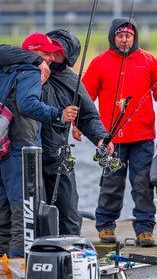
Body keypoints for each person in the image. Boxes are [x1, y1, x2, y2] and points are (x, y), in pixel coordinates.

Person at [0, 33, 79, 259]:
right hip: (19, 154)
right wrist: (59, 115)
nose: (51, 58)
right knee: (24, 217)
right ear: (32, 53)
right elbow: (28, 105)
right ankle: (19, 266)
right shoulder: (31, 73)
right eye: (45, 53)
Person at [79, 18, 157, 247]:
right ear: (113, 37)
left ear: (135, 38)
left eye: (128, 36)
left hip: (143, 136)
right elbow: (84, 96)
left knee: (143, 184)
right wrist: (76, 124)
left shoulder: (149, 60)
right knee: (111, 183)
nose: (124, 40)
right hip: (110, 139)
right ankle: (105, 226)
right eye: (120, 36)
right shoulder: (100, 62)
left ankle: (144, 229)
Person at [38, 28, 114, 235]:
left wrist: (101, 139)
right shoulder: (25, 70)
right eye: (49, 49)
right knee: (34, 212)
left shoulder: (71, 82)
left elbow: (88, 117)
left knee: (69, 211)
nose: (52, 56)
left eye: (59, 52)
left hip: (57, 156)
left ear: (68, 57)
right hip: (27, 156)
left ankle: (70, 254)